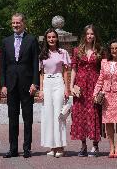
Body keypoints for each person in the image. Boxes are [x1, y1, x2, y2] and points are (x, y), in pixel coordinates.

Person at [1, 13, 39, 158]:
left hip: (27, 84)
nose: (15, 25)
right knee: (13, 117)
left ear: (23, 23)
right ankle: (13, 148)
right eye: (13, 23)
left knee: (27, 117)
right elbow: (3, 65)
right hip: (11, 85)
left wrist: (35, 83)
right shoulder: (6, 41)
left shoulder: (31, 40)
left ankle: (27, 148)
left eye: (18, 23)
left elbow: (36, 63)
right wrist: (3, 84)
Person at [93, 39, 117, 158]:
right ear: (109, 50)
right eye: (112, 48)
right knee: (108, 123)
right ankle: (111, 147)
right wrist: (95, 94)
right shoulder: (104, 62)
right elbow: (100, 80)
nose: (114, 50)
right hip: (107, 97)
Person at [70, 24, 105, 157]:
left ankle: (95, 146)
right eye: (87, 34)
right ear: (84, 35)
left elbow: (103, 70)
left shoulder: (100, 50)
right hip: (81, 86)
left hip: (95, 85)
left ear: (95, 35)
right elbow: (74, 69)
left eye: (92, 34)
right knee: (80, 115)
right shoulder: (77, 50)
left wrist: (103, 87)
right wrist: (71, 86)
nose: (89, 36)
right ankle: (83, 145)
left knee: (95, 113)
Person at [38, 28, 71, 158]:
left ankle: (60, 146)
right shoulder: (42, 54)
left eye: (53, 37)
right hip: (46, 83)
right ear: (46, 39)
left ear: (57, 38)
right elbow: (41, 74)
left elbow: (65, 72)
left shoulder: (63, 52)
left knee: (59, 114)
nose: (51, 39)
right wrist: (41, 89)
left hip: (58, 82)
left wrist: (67, 88)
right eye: (49, 37)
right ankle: (52, 146)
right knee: (48, 115)